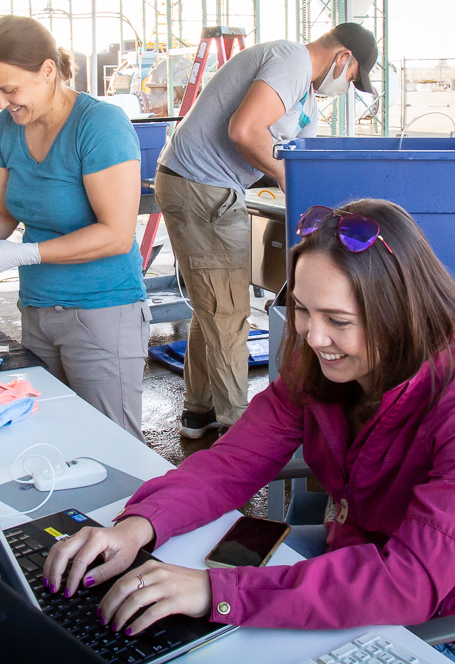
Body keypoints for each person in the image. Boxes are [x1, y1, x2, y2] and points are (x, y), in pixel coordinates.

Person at [43, 199, 455, 664]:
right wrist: (138, 525)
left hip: (443, 629)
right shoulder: (325, 366)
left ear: (401, 313)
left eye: (338, 320)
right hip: (347, 566)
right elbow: (230, 463)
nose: (313, 338)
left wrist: (216, 591)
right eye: (302, 309)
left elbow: (410, 584)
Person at [0, 15, 151, 439]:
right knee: (51, 436)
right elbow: (0, 212)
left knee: (111, 442)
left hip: (100, 313)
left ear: (48, 71)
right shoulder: (9, 128)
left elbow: (117, 233)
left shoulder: (99, 125)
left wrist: (27, 253)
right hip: (37, 311)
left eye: (9, 89)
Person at [154, 23, 378, 440]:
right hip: (202, 185)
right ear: (343, 57)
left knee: (215, 304)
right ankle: (238, 428)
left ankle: (198, 412)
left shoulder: (306, 94)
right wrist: (281, 176)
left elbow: (302, 158)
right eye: (351, 77)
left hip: (209, 185)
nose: (346, 86)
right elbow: (245, 130)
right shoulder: (291, 58)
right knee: (228, 312)